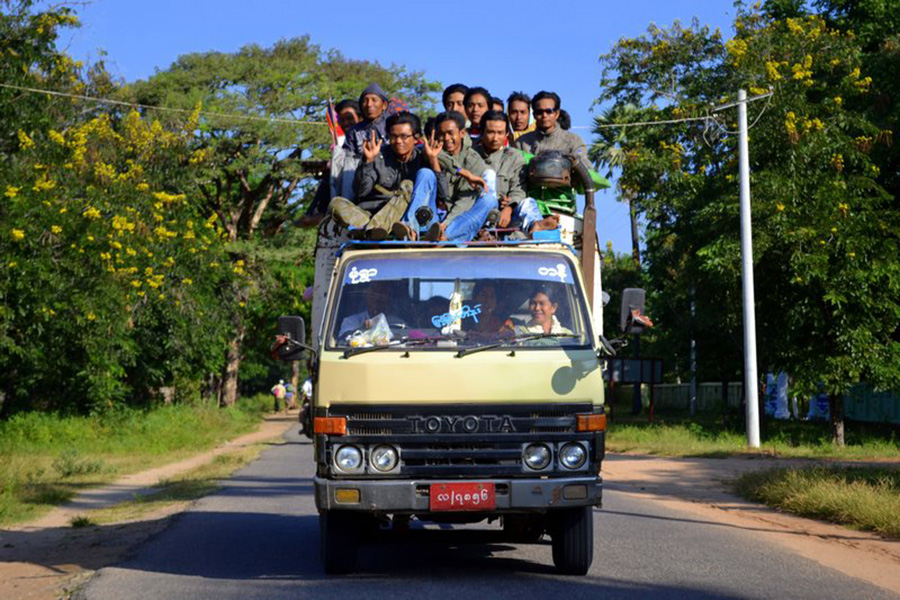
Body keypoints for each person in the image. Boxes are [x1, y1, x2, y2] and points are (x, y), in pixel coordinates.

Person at [328, 112, 436, 239]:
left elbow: (440, 194)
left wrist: (433, 160)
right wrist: (368, 162)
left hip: (401, 219)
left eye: (404, 136)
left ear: (416, 137)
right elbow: (361, 192)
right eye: (393, 136)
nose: (398, 141)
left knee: (408, 185)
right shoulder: (378, 155)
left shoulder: (422, 158)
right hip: (369, 214)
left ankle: (374, 232)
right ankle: (375, 231)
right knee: (336, 203)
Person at [396, 111, 497, 242]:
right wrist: (434, 160)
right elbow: (442, 194)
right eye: (442, 134)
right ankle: (411, 230)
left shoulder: (474, 160)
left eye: (450, 133)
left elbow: (464, 202)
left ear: (462, 133)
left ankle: (447, 236)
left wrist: (446, 224)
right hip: (429, 218)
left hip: (455, 220)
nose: (446, 138)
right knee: (425, 173)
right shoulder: (428, 152)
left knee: (490, 200)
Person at [475, 110, 558, 237]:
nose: (495, 138)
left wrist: (509, 207)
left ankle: (535, 225)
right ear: (482, 133)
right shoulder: (471, 156)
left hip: (506, 218)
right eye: (491, 132)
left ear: (507, 134)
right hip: (478, 216)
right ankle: (485, 232)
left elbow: (519, 189)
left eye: (500, 133)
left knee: (528, 202)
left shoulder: (514, 156)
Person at [514, 91, 587, 164]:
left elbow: (585, 170)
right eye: (539, 112)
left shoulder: (574, 142)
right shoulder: (521, 144)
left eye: (549, 111)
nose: (544, 115)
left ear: (557, 113)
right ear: (534, 115)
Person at [343, 83, 390, 158]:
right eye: (365, 101)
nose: (369, 104)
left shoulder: (393, 126)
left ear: (384, 105)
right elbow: (348, 159)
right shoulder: (353, 132)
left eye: (374, 100)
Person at [507, 285, 573, 336]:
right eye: (533, 303)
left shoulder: (566, 335)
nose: (537, 308)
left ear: (553, 307)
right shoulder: (520, 333)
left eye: (541, 304)